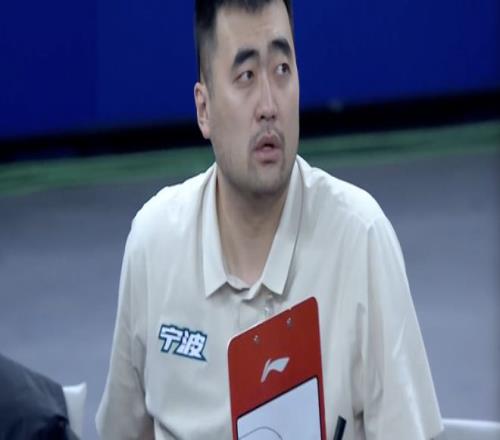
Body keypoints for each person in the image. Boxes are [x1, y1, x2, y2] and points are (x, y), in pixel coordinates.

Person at [96, 0, 443, 438]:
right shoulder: (153, 244)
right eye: (246, 76)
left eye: (282, 70)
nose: (269, 105)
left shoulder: (361, 239)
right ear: (204, 109)